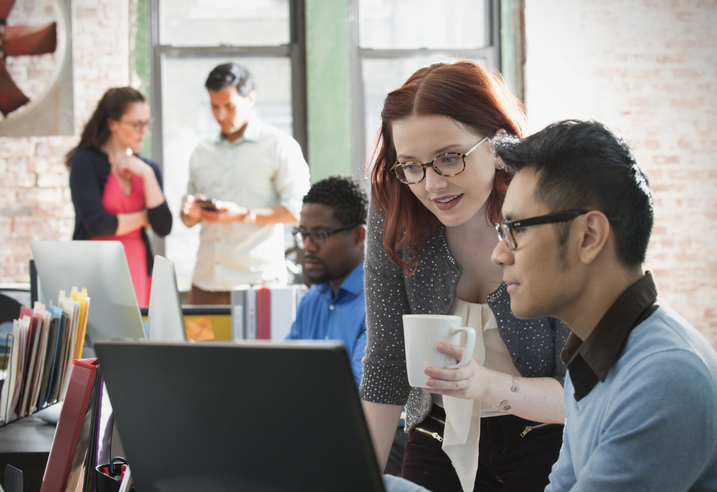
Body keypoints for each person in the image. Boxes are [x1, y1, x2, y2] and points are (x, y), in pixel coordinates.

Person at [491, 120, 717, 491]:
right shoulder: (592, 357)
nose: (498, 254)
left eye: (515, 229)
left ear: (589, 236)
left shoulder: (666, 376)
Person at [361, 60, 571, 492]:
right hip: (437, 434)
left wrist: (486, 385)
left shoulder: (550, 210)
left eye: (449, 158)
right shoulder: (394, 208)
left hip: (546, 435)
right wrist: (357, 478)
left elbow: (585, 393)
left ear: (497, 143)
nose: (432, 184)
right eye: (411, 165)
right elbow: (386, 363)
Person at [180, 62, 311, 304]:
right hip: (204, 284)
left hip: (258, 284)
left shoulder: (279, 145)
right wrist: (191, 212)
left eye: (229, 106)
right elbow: (188, 219)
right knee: (200, 343)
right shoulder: (202, 151)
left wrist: (242, 214)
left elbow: (298, 212)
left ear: (250, 98)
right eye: (214, 106)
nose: (220, 115)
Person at [67, 87, 172, 307]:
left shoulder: (149, 168)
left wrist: (147, 174)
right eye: (136, 124)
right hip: (94, 266)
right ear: (113, 124)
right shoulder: (85, 162)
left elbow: (163, 226)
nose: (143, 131)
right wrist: (146, 217)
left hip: (138, 267)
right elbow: (98, 224)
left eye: (147, 123)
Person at [286, 175, 367, 387]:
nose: (307, 247)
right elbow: (282, 371)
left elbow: (357, 393)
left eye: (320, 234)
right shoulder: (312, 299)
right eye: (303, 234)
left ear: (359, 236)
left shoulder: (378, 305)